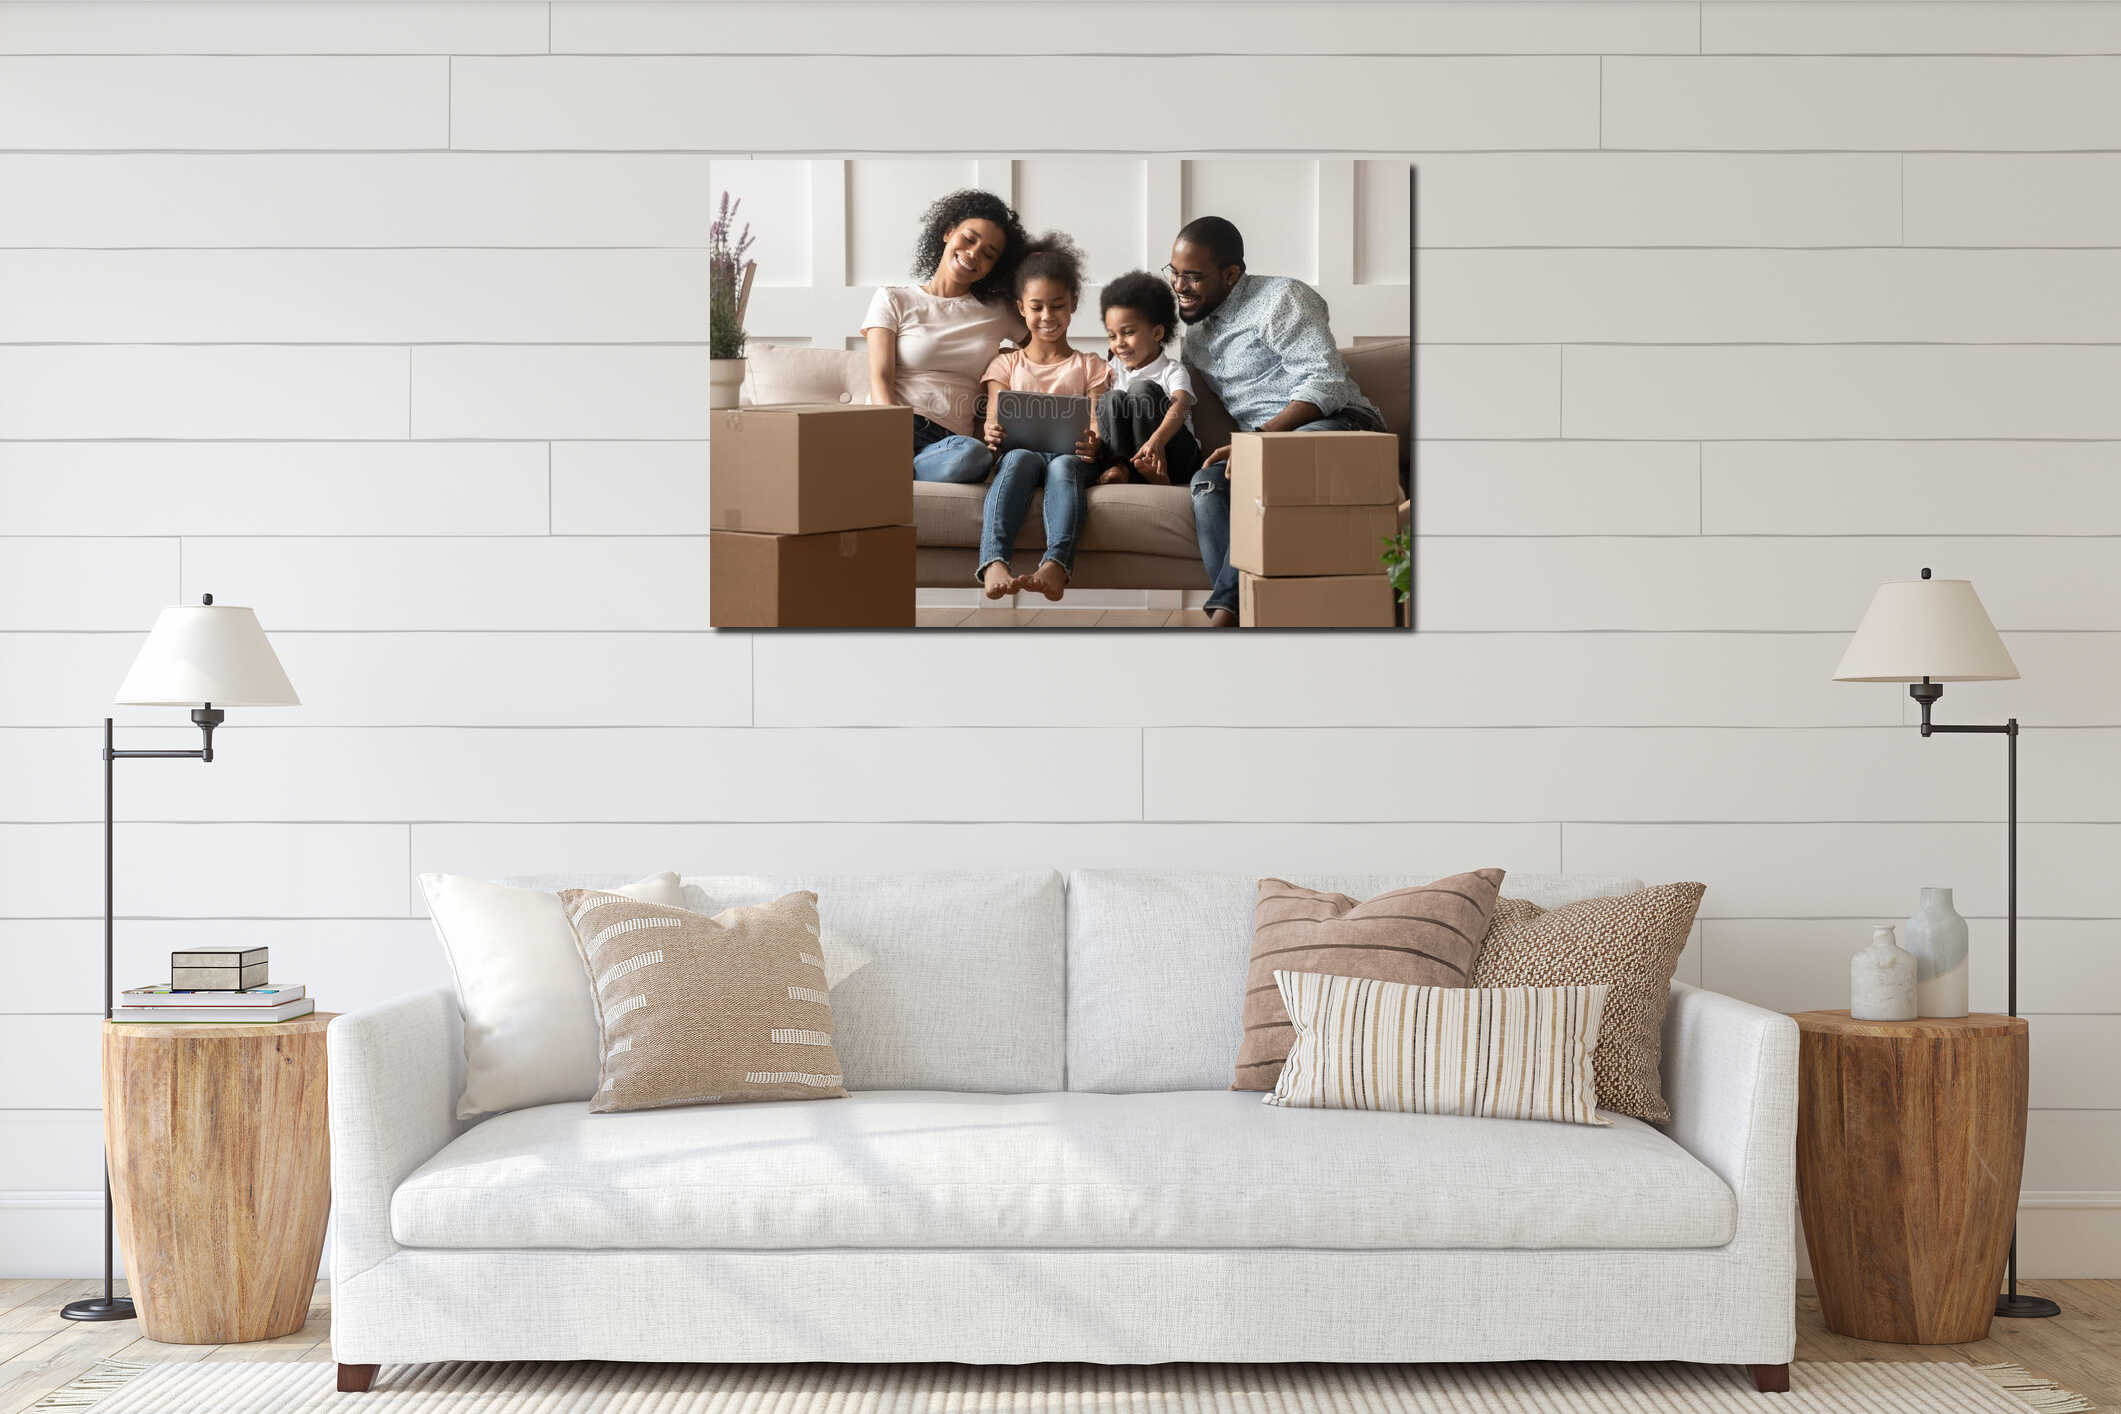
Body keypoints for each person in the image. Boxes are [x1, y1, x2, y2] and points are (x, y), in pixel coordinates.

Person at [1169, 216, 1386, 626]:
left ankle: (1224, 618)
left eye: (1193, 277)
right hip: (1267, 447)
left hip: (1339, 425)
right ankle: (1247, 611)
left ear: (1231, 274)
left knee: (1268, 465)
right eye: (1175, 273)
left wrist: (1261, 440)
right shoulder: (1196, 338)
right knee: (1207, 482)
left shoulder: (1281, 299)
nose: (1179, 287)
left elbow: (1325, 380)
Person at [860, 189, 1030, 483]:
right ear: (948, 232)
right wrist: (890, 439)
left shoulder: (998, 312)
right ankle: (888, 463)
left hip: (951, 444)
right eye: (969, 238)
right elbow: (881, 378)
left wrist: (1010, 362)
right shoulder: (893, 298)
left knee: (976, 455)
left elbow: (1047, 349)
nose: (974, 253)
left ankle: (894, 472)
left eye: (988, 254)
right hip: (896, 425)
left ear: (994, 267)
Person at [975, 234, 1110, 601]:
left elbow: (1098, 421)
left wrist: (1094, 440)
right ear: (1021, 308)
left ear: (1073, 306)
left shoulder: (1091, 366)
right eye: (1037, 307)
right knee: (1018, 458)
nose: (1047, 317)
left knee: (1063, 467)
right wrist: (992, 432)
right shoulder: (1005, 364)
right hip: (1021, 454)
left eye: (1057, 306)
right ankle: (993, 562)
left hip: (1071, 457)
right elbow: (993, 417)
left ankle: (1055, 565)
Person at [1093, 270, 1201, 487]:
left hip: (1174, 455)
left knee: (1141, 390)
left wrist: (1156, 441)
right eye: (1112, 335)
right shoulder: (1111, 371)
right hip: (1131, 456)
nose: (1119, 343)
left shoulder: (1172, 371)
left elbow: (1180, 406)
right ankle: (1122, 468)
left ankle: (1157, 472)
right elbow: (1096, 406)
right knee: (1111, 398)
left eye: (1127, 332)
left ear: (1157, 333)